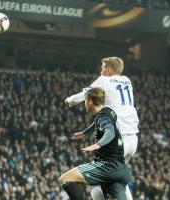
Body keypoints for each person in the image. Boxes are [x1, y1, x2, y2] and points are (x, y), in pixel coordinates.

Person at [65, 57, 139, 200]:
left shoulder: (104, 80)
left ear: (109, 70)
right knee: (116, 180)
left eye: (103, 67)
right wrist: (87, 132)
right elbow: (111, 114)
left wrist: (70, 100)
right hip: (132, 142)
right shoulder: (127, 81)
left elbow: (86, 93)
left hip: (118, 141)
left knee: (94, 181)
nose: (101, 70)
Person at [59, 88, 131, 200]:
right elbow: (99, 123)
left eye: (85, 101)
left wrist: (97, 145)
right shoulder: (109, 112)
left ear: (90, 102)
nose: (85, 104)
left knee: (65, 179)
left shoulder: (102, 117)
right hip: (121, 171)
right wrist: (84, 133)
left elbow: (110, 132)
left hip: (107, 167)